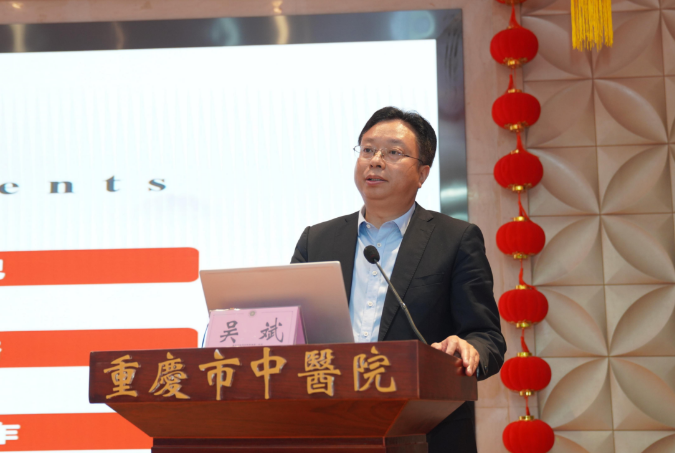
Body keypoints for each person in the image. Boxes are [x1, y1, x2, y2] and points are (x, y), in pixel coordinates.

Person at [291, 106, 505, 453]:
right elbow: (291, 331)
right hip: (329, 427)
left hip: (427, 433)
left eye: (393, 152)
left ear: (422, 173)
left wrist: (470, 350)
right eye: (367, 149)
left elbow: (487, 338)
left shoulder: (455, 239)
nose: (375, 161)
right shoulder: (316, 241)